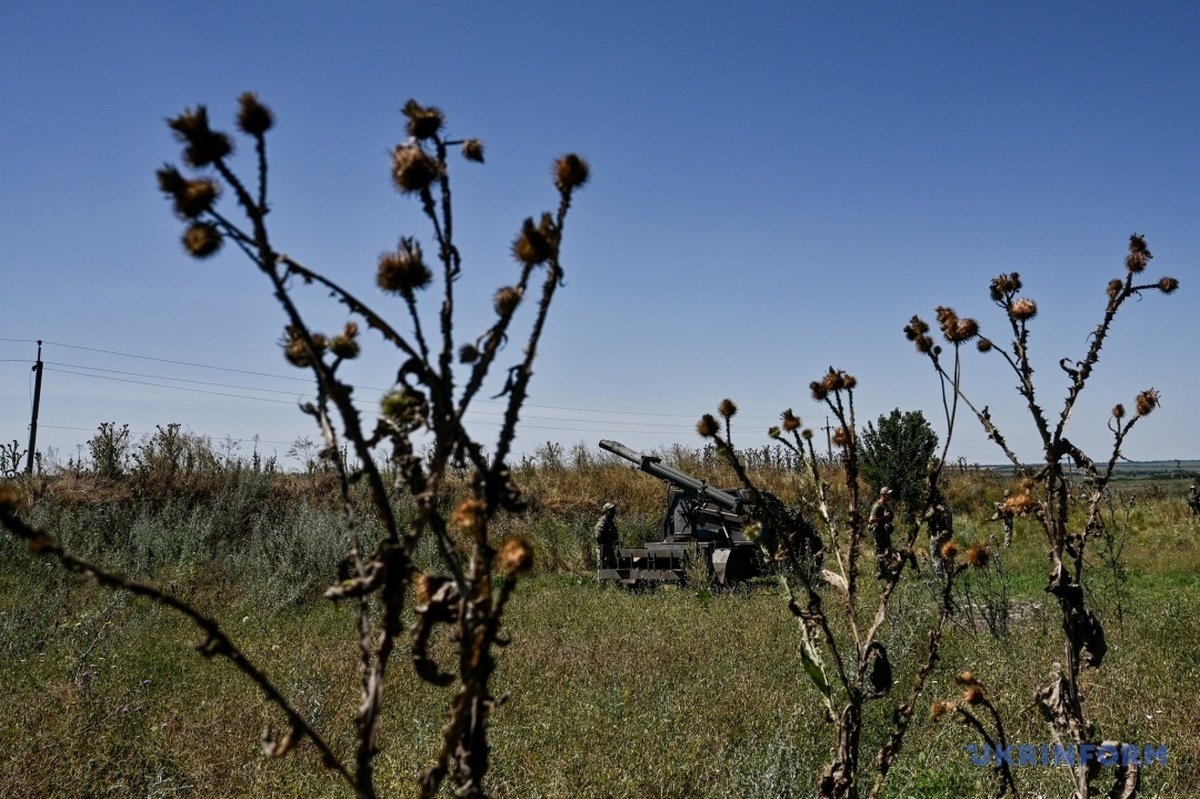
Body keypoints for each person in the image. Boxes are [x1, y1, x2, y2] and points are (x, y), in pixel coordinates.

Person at [867, 487, 895, 578]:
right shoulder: (877, 506)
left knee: (888, 552)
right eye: (888, 494)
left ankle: (886, 571)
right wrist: (884, 518)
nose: (890, 495)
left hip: (884, 532)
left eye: (890, 494)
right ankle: (879, 573)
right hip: (878, 533)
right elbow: (871, 520)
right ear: (883, 495)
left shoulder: (886, 505)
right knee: (880, 552)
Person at [594, 502, 620, 569]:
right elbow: (598, 537)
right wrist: (605, 546)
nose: (613, 512)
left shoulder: (610, 522)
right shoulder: (602, 523)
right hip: (603, 550)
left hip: (610, 549)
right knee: (602, 568)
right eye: (611, 510)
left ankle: (614, 579)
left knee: (614, 568)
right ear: (606, 511)